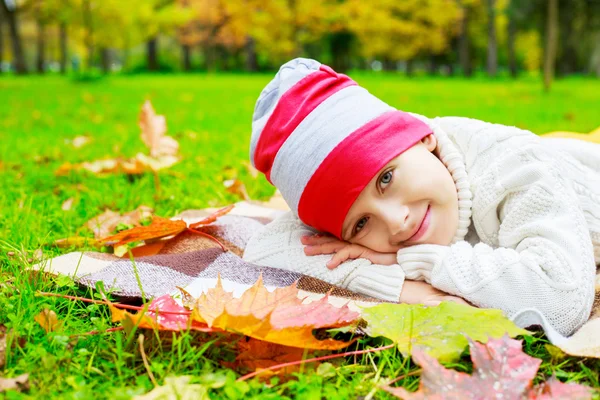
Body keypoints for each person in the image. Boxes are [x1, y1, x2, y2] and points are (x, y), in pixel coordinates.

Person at [242, 57, 599, 339]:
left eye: (385, 178)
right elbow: (264, 250)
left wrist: (419, 263)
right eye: (361, 223)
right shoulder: (414, 168)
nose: (397, 222)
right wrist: (403, 289)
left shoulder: (514, 166)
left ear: (422, 137)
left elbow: (560, 301)